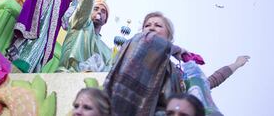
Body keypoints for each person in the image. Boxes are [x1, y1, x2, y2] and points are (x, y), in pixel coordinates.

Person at [104, 11, 250, 116]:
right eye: (147, 25)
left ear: (169, 36)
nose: (151, 27)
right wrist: (177, 50)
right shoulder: (135, 48)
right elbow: (147, 42)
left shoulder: (178, 72)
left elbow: (204, 85)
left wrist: (236, 64)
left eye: (158, 25)